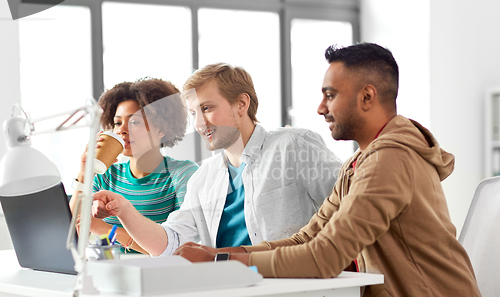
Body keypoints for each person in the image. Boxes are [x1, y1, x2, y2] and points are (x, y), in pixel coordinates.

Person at [170, 44, 484, 297]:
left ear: (367, 97)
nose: (321, 108)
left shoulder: (390, 160)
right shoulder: (357, 166)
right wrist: (221, 256)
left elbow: (325, 257)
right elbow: (305, 239)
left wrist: (221, 264)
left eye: (330, 95)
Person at [92, 63, 343, 257]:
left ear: (242, 104)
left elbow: (349, 210)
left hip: (295, 295)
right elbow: (169, 243)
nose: (200, 124)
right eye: (194, 113)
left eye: (207, 108)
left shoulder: (294, 145)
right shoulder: (204, 178)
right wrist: (123, 209)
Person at [70, 78, 198, 254]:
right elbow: (69, 234)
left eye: (134, 122)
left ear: (161, 129)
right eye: (117, 122)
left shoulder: (183, 174)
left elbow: (180, 249)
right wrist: (84, 175)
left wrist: (106, 230)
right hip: (108, 271)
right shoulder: (105, 175)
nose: (122, 130)